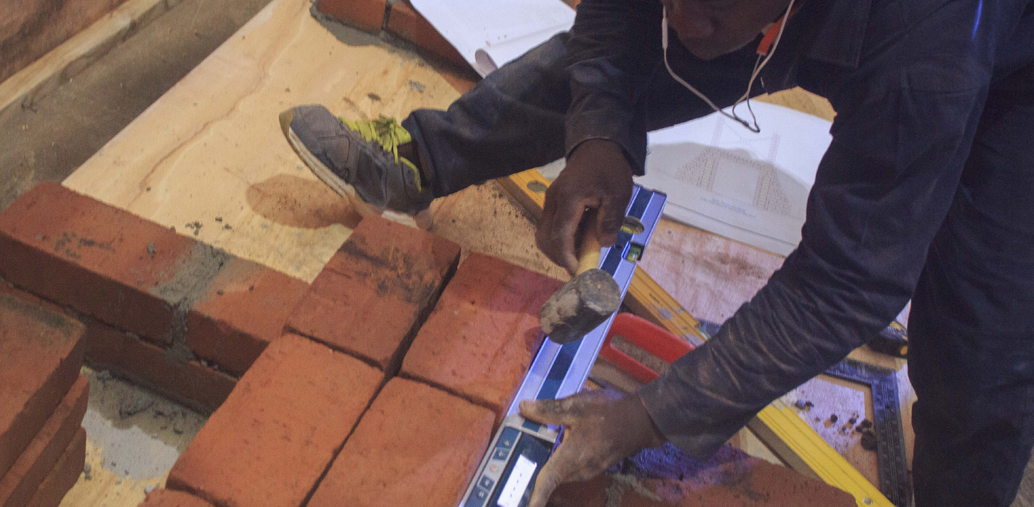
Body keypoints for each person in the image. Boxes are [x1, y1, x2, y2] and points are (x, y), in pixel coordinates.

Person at [279, 0, 1034, 504]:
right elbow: (622, 18)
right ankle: (419, 159)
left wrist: (641, 417)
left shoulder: (925, 52)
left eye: (711, 5)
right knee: (639, 51)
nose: (687, 21)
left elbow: (844, 282)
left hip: (1012, 76)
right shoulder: (702, 6)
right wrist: (600, 131)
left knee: (984, 339)